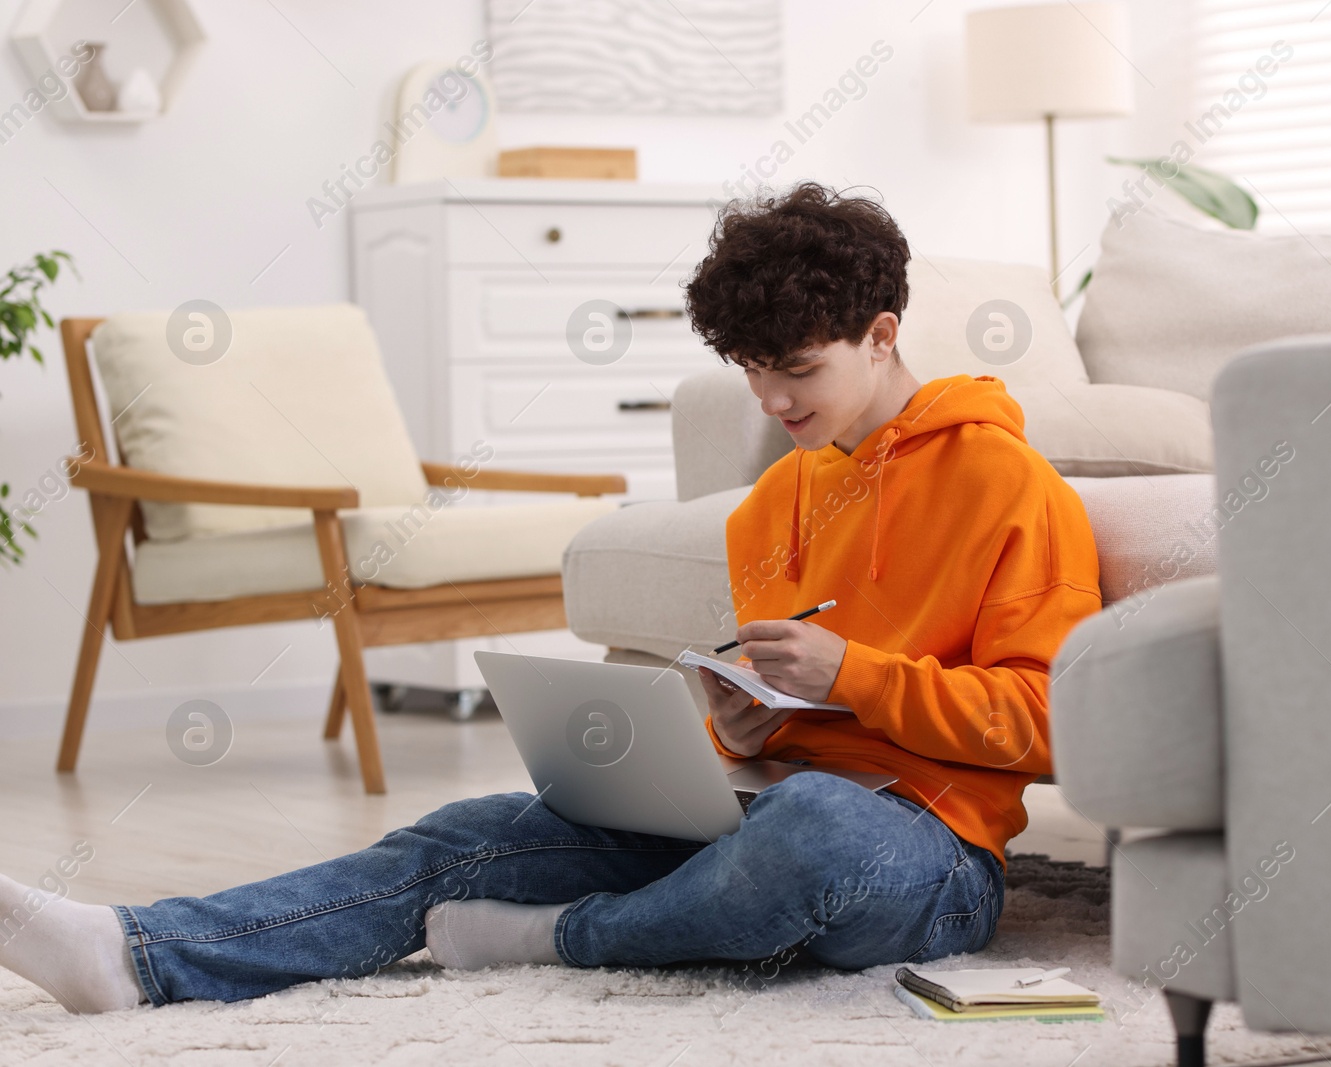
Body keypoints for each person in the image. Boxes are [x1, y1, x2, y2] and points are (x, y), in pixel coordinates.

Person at [0, 180, 1101, 1012]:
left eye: (797, 369)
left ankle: (562, 936)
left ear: (882, 333)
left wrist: (856, 676)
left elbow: (1051, 725)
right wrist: (737, 722)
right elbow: (782, 720)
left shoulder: (1009, 484)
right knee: (473, 830)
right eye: (749, 368)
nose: (770, 396)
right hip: (761, 813)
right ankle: (137, 953)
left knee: (812, 829)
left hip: (927, 852)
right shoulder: (773, 500)